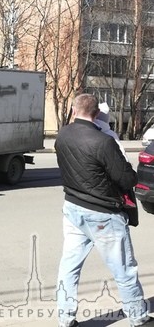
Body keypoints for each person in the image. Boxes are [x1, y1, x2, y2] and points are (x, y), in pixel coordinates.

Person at [55, 93, 153, 327]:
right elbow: (127, 179)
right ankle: (139, 317)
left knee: (69, 267)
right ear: (97, 114)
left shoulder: (63, 134)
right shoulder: (103, 141)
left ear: (73, 110)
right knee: (125, 270)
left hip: (72, 208)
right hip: (103, 215)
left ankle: (65, 319)